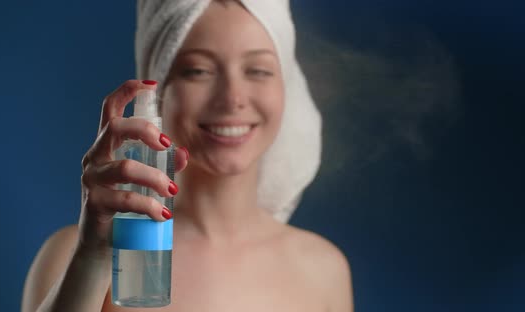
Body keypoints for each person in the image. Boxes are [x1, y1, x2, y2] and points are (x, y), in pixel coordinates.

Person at [22, 0, 353, 311]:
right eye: (198, 70)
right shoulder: (76, 256)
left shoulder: (323, 269)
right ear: (159, 89)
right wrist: (93, 259)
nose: (232, 98)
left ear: (288, 85)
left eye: (259, 70)